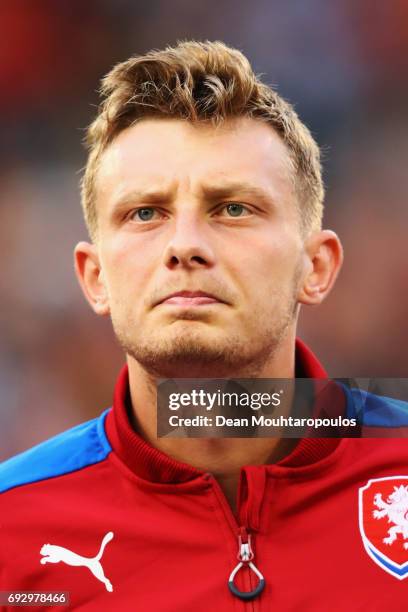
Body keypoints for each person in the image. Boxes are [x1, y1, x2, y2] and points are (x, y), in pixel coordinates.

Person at [0, 41, 407, 611]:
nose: (185, 245)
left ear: (315, 268)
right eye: (145, 213)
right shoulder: (11, 530)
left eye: (233, 208)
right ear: (94, 278)